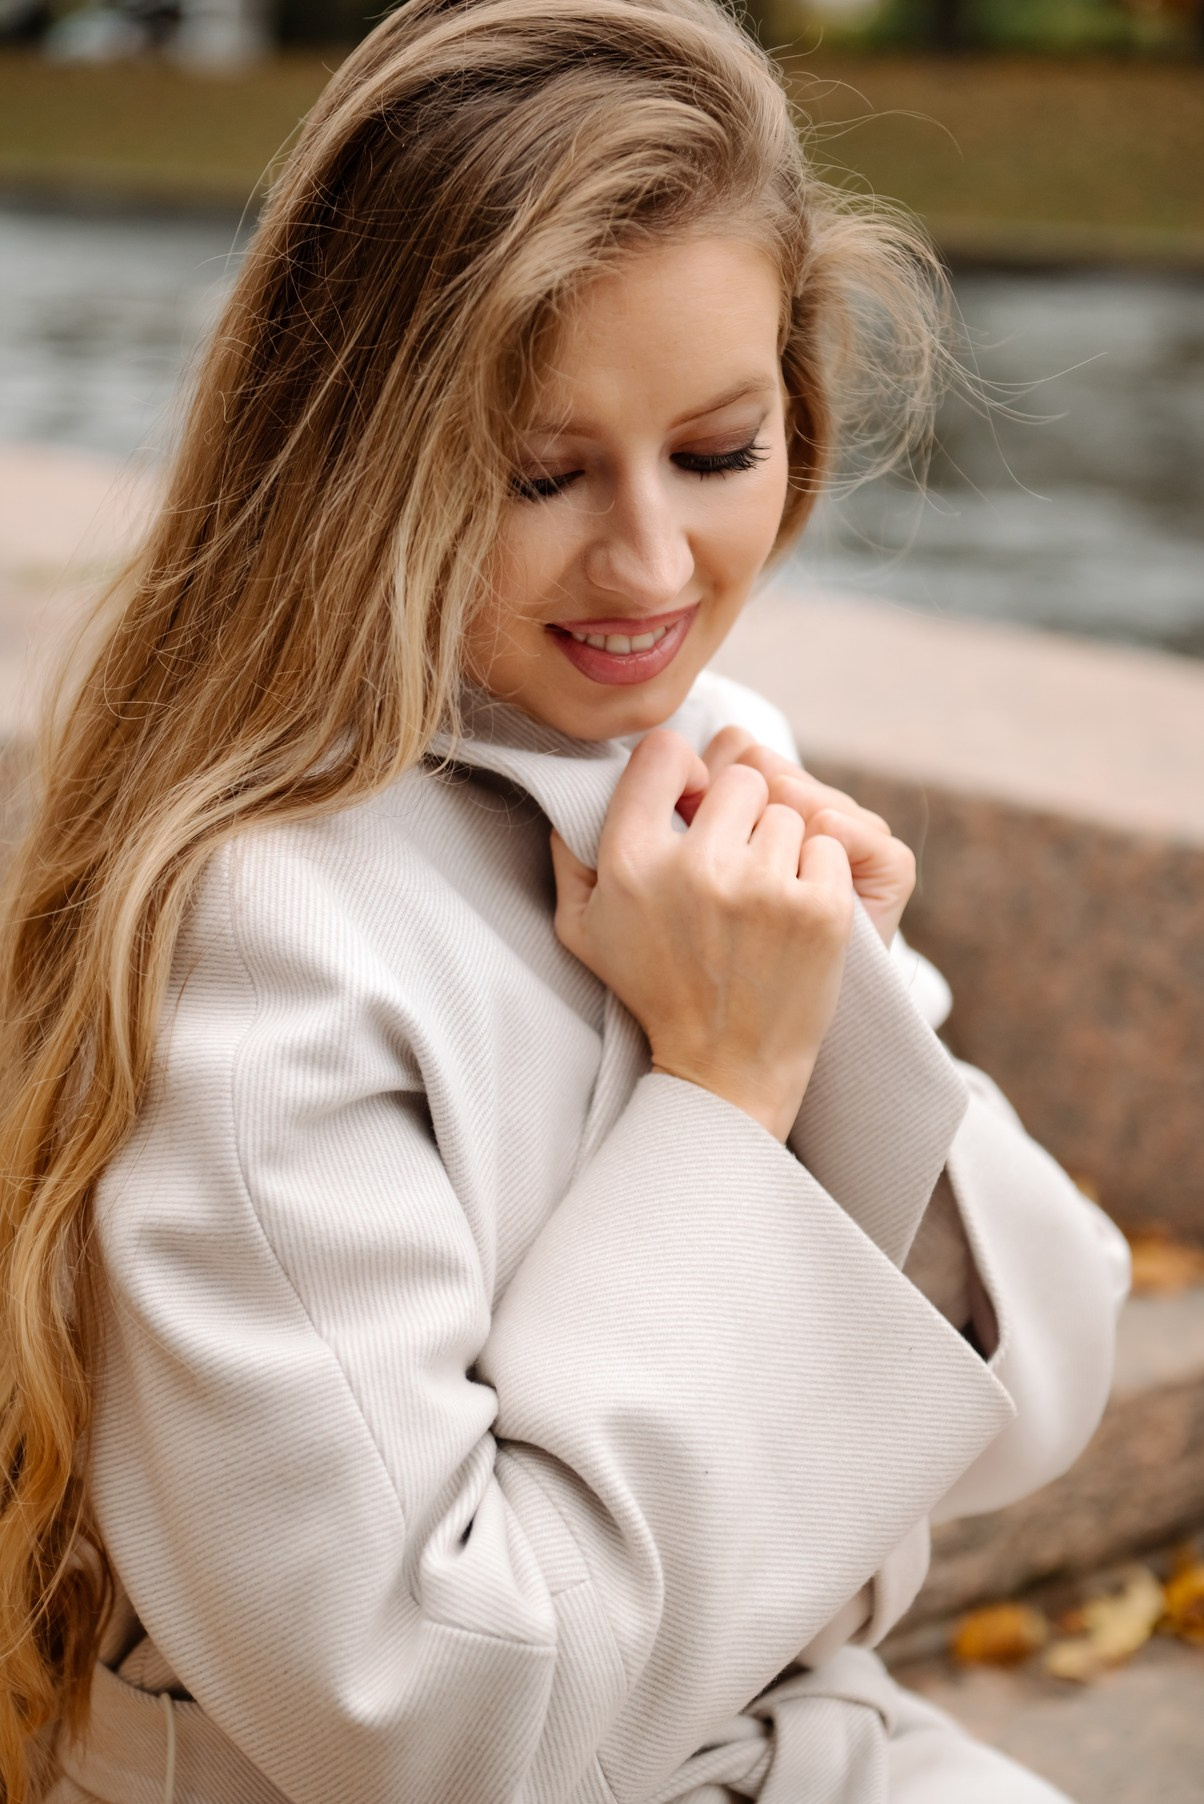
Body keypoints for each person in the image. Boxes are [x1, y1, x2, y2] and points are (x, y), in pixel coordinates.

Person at [0, 3, 1130, 1800]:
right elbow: (454, 1720)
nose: (651, 565)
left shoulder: (699, 750)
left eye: (717, 451)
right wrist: (727, 1096)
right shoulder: (264, 928)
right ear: (354, 456)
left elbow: (1038, 1395)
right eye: (541, 472)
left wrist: (836, 997)